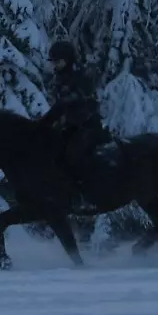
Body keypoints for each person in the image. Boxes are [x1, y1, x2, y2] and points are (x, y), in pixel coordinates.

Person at [38, 39, 110, 202]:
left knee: (73, 153)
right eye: (54, 62)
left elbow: (86, 104)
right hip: (67, 127)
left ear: (68, 59)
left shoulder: (82, 76)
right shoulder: (59, 78)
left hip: (87, 127)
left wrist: (68, 120)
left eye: (58, 61)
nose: (55, 65)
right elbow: (58, 106)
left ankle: (84, 193)